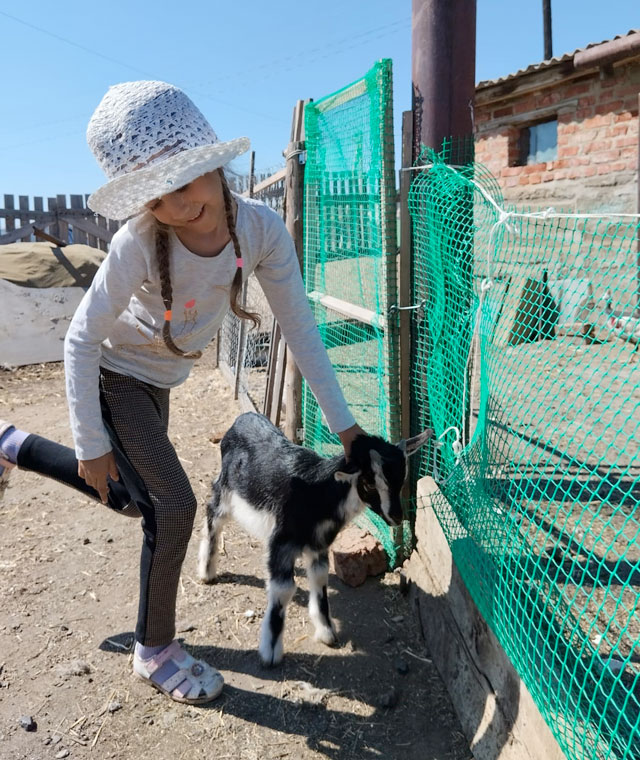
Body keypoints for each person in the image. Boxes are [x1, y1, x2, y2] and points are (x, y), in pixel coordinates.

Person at [0, 81, 364, 705]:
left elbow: (299, 330)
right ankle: (155, 650)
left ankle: (14, 444)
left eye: (189, 179)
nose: (180, 202)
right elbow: (81, 339)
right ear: (143, 203)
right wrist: (90, 439)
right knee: (171, 507)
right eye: (159, 195)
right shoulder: (137, 242)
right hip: (115, 376)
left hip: (160, 382)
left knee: (127, 497)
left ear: (214, 164)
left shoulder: (262, 232)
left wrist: (347, 429)